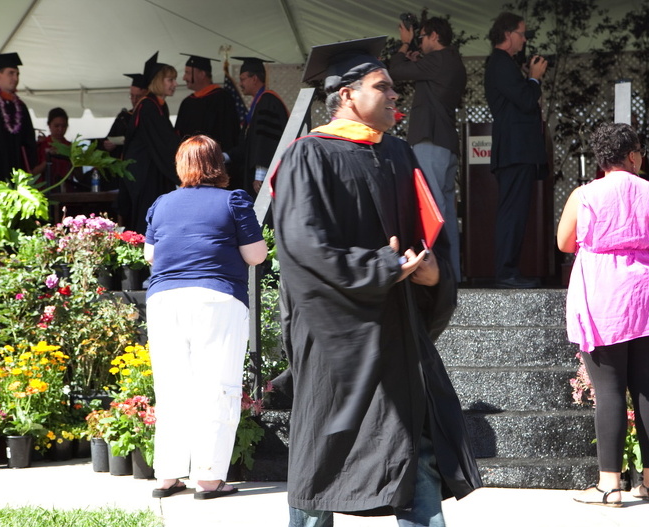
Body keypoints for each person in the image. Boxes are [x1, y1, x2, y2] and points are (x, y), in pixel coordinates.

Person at [272, 36, 481, 527]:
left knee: (416, 451)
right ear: (347, 94)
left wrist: (433, 273)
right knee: (318, 464)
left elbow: (428, 236)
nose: (394, 94)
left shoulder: (399, 155)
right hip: (336, 342)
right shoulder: (308, 156)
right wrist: (382, 267)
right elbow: (303, 247)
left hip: (395, 336)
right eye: (382, 86)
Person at [557, 122, 649, 508]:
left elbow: (564, 242)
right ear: (631, 156)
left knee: (610, 389)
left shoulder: (584, 195)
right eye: (640, 151)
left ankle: (610, 486)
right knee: (646, 384)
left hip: (603, 296)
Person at [144, 134, 267, 501]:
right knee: (217, 386)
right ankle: (209, 478)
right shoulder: (234, 200)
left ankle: (167, 476)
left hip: (164, 300)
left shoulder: (162, 203)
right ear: (218, 164)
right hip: (217, 299)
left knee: (171, 387)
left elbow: (151, 255)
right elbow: (256, 255)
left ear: (181, 166)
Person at [389, 15, 467, 282]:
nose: (419, 42)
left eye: (421, 37)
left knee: (432, 210)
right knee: (446, 212)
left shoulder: (438, 60)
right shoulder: (451, 61)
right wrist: (417, 63)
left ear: (435, 36)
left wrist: (404, 44)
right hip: (446, 143)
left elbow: (395, 71)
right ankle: (451, 273)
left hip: (431, 142)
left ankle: (437, 273)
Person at [484, 12, 548, 289]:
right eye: (522, 34)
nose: (524, 39)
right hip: (514, 150)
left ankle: (509, 270)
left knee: (515, 212)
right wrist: (533, 79)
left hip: (516, 150)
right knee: (512, 212)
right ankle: (506, 272)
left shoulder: (504, 64)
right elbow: (525, 100)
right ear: (508, 34)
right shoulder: (500, 63)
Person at [118, 52, 180, 234]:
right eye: (170, 80)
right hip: (144, 174)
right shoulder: (148, 107)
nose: (175, 84)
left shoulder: (158, 105)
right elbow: (164, 143)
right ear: (158, 81)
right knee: (146, 221)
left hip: (152, 171)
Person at [228, 56, 288, 195]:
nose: (240, 84)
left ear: (254, 78)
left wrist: (260, 175)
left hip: (262, 178)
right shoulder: (259, 103)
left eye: (243, 79)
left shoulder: (267, 101)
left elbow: (265, 140)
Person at [0, 52, 35, 184]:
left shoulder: (20, 106)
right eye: (11, 73)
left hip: (15, 170)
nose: (15, 78)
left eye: (17, 74)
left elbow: (29, 141)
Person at [175, 54, 239, 151]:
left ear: (202, 74)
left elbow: (229, 134)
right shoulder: (187, 103)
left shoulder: (223, 99)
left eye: (188, 73)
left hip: (216, 156)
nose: (184, 77)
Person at [103, 73, 148, 161]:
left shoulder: (151, 117)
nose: (134, 100)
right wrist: (107, 146)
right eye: (132, 96)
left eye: (138, 96)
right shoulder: (123, 117)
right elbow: (109, 138)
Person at [32, 107, 76, 189]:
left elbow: (79, 176)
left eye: (63, 126)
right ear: (49, 125)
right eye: (56, 126)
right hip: (45, 191)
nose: (60, 129)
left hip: (67, 191)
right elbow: (32, 173)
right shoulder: (41, 145)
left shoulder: (71, 147)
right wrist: (47, 160)